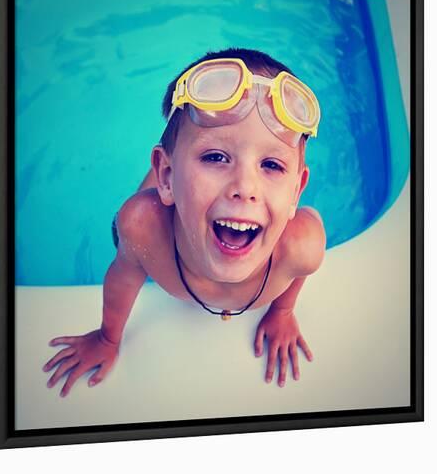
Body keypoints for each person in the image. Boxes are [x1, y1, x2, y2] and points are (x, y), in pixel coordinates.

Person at [43, 47, 326, 397]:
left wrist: (282, 312)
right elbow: (123, 276)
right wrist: (107, 338)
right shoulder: (145, 231)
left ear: (297, 190)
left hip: (188, 196)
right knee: (126, 227)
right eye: (215, 156)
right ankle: (167, 178)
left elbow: (298, 275)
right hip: (159, 208)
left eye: (271, 165)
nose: (245, 188)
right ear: (167, 172)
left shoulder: (302, 247)